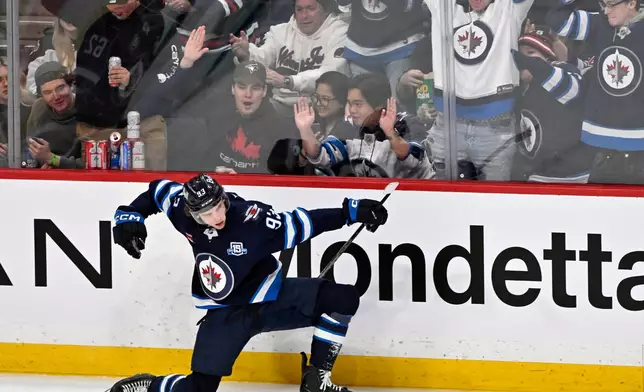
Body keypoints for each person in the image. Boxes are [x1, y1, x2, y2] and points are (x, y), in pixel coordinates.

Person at [107, 173, 389, 392]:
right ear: (192, 213)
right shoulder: (181, 208)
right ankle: (150, 386)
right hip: (226, 314)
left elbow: (303, 223)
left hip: (270, 299)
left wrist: (349, 212)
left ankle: (317, 380)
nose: (217, 217)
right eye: (207, 213)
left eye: (219, 206)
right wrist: (130, 215)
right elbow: (157, 191)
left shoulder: (251, 220)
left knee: (342, 299)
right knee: (199, 388)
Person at [424, 0, 534, 180]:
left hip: (495, 128)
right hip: (448, 124)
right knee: (440, 201)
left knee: (493, 203)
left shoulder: (509, 8)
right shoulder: (443, 6)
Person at [547, 0, 644, 184]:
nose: (606, 11)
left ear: (631, 3)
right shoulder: (598, 23)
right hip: (600, 143)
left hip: (639, 143)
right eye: (603, 5)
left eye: (611, 4)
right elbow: (556, 19)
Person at [230, 0, 349, 115]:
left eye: (310, 8)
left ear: (325, 10)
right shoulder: (280, 32)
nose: (304, 15)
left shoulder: (339, 32)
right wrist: (247, 54)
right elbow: (264, 57)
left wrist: (288, 81)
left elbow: (331, 73)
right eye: (299, 9)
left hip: (319, 106)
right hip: (279, 105)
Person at [510, 30, 593, 183]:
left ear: (548, 58)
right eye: (521, 55)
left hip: (574, 176)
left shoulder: (563, 71)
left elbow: (573, 90)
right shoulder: (519, 90)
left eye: (530, 53)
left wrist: (532, 64)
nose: (524, 60)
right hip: (537, 175)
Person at [25, 61, 82, 169]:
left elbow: (92, 163)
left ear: (70, 85)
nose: (56, 96)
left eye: (60, 88)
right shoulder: (39, 108)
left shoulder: (87, 109)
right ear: (41, 95)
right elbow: (30, 149)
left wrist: (52, 159)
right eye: (47, 92)